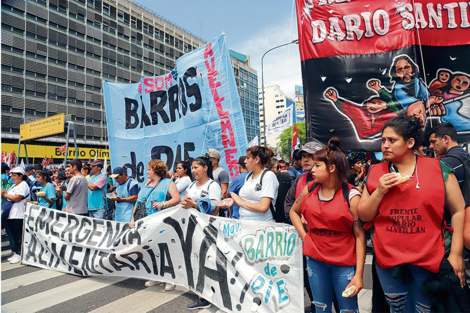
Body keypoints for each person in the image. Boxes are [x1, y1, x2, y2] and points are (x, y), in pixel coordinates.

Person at [358, 115, 466, 312]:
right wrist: (380, 192)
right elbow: (364, 215)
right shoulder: (375, 172)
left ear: (410, 142)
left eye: (392, 140)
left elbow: (458, 210)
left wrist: (457, 253)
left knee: (424, 307)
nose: (385, 146)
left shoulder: (439, 169)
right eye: (383, 140)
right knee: (397, 308)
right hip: (388, 259)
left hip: (428, 257)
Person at [289, 138, 366, 313]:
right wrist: (305, 236)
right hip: (315, 261)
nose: (312, 169)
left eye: (317, 165)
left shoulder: (352, 196)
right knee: (321, 307)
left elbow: (360, 235)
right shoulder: (310, 188)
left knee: (348, 309)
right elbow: (294, 212)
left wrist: (359, 274)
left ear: (331, 168)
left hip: (344, 263)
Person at [129, 159, 180, 291]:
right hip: (146, 221)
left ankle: (170, 278)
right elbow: (139, 202)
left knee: (164, 248)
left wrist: (163, 204)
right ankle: (156, 276)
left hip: (161, 221)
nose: (147, 171)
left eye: (149, 169)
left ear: (156, 170)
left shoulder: (168, 183)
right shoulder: (147, 183)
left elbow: (176, 198)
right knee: (151, 249)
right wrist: (133, 219)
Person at [284, 141, 324, 305]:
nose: (305, 159)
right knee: (310, 278)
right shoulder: (300, 179)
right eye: (304, 156)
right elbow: (288, 205)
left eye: (310, 156)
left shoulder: (334, 180)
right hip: (305, 239)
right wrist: (298, 219)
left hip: (328, 241)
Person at [182, 155, 222, 310]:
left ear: (206, 168)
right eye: (192, 168)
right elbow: (185, 203)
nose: (193, 170)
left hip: (208, 229)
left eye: (196, 167)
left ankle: (206, 297)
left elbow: (215, 209)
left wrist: (196, 205)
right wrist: (188, 205)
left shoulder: (213, 186)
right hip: (192, 228)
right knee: (196, 261)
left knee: (207, 262)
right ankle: (202, 294)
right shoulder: (192, 185)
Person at [429, 122, 470, 225]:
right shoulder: (467, 157)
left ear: (446, 139)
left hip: (452, 225)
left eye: (433, 142)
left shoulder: (445, 164)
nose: (430, 146)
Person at [230, 146, 278, 222]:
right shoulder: (249, 176)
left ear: (257, 160)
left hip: (261, 226)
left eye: (248, 158)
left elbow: (263, 207)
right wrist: (233, 201)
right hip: (244, 223)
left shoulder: (268, 176)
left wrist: (241, 202)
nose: (245, 161)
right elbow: (246, 203)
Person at [0, 167, 31, 264]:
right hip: (11, 214)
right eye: (11, 175)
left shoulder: (23, 185)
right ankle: (16, 253)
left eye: (14, 175)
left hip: (19, 214)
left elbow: (17, 198)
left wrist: (4, 195)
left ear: (20, 176)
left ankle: (20, 253)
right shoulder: (14, 186)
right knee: (13, 235)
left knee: (18, 235)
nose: (12, 178)